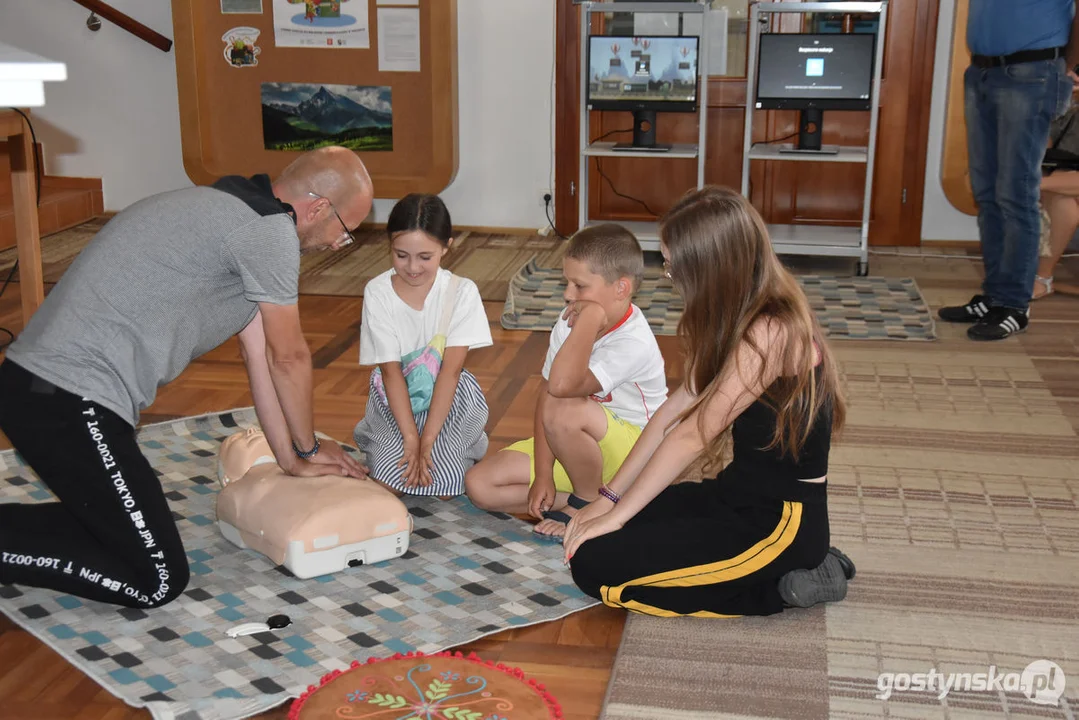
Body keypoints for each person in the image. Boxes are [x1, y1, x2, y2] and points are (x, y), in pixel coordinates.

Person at [0, 146, 372, 608]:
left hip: (43, 392)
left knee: (124, 538)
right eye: (345, 231)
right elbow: (290, 358)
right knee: (154, 578)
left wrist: (293, 458)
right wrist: (311, 447)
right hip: (68, 401)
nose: (339, 243)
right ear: (317, 208)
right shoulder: (267, 231)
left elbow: (262, 359)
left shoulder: (233, 207)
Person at [562, 187, 855, 617]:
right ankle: (801, 566)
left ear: (709, 269)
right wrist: (608, 499)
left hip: (779, 523)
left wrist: (617, 517)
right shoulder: (730, 316)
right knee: (598, 532)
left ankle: (792, 580)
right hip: (735, 495)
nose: (670, 276)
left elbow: (691, 436)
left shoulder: (770, 330)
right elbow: (671, 413)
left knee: (596, 568)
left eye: (672, 266)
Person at [464, 223, 668, 542]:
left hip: (636, 453)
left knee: (567, 409)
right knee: (480, 485)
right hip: (578, 445)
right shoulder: (568, 319)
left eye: (579, 285)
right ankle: (606, 502)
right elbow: (546, 395)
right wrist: (543, 473)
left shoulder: (633, 342)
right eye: (567, 282)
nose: (568, 294)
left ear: (621, 288)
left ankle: (585, 504)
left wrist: (587, 321)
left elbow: (562, 389)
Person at [937, 0, 1078, 340]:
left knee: (1015, 194)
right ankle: (994, 297)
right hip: (981, 72)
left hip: (1033, 72)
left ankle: (1015, 305)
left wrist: (1066, 65)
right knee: (987, 193)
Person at [353, 194, 492, 497]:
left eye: (425, 257)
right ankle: (382, 439)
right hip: (396, 399)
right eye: (401, 255)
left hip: (449, 400)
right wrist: (410, 440)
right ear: (389, 245)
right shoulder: (377, 292)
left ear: (446, 246)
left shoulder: (462, 292)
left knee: (448, 485)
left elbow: (450, 374)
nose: (412, 267)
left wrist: (427, 440)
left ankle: (467, 443)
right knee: (392, 484)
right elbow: (390, 374)